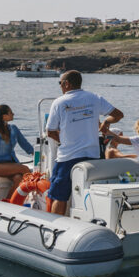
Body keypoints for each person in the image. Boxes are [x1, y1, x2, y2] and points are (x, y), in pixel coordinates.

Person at [45, 70, 122, 215]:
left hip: (67, 157)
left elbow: (50, 131)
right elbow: (118, 115)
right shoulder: (94, 98)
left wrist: (65, 141)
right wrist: (105, 123)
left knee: (59, 197)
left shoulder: (59, 102)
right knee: (88, 195)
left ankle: (56, 230)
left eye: (60, 83)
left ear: (67, 84)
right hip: (92, 157)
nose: (60, 86)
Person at [0, 104, 34, 190]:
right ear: (4, 116)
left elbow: (25, 145)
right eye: (11, 112)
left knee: (18, 178)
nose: (13, 114)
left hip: (11, 164)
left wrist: (37, 154)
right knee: (24, 169)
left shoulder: (14, 129)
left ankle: (9, 201)